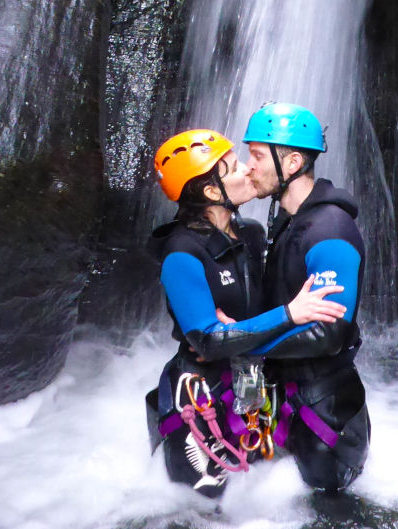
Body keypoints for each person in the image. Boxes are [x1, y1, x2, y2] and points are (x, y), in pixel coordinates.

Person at [143, 129, 346, 498]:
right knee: (201, 506)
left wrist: (247, 330)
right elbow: (207, 339)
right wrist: (289, 314)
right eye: (235, 167)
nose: (248, 171)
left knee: (265, 494)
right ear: (210, 192)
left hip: (255, 386)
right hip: (200, 394)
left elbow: (241, 323)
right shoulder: (182, 254)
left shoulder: (251, 234)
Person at [241, 103, 370, 492]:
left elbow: (327, 333)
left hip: (326, 421)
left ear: (293, 162)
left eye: (257, 155)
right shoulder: (287, 220)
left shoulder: (330, 231)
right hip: (288, 401)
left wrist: (242, 339)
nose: (249, 165)